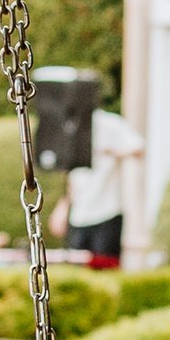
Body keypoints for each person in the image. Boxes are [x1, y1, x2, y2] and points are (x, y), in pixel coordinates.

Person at [53, 104, 145, 266]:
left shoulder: (110, 123)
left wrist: (109, 152)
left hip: (106, 212)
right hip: (79, 216)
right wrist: (63, 207)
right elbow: (74, 177)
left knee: (105, 267)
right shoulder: (70, 126)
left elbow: (138, 148)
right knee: (77, 270)